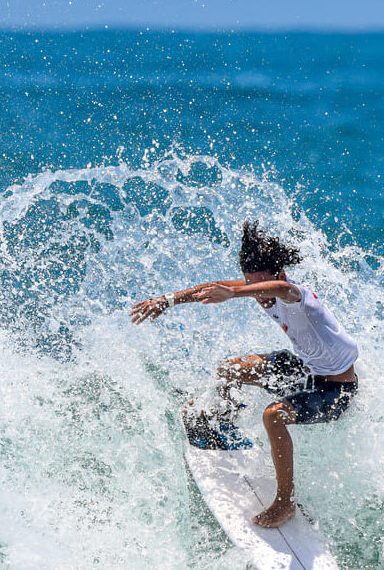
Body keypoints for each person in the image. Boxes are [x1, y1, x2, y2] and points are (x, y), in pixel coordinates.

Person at [130, 220, 359, 528]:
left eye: (258, 286)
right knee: (230, 369)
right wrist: (167, 300)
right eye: (249, 284)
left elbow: (279, 289)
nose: (259, 297)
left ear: (276, 275)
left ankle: (285, 503)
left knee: (273, 415)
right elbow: (211, 288)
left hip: (336, 390)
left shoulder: (296, 295)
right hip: (306, 368)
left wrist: (237, 293)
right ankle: (218, 423)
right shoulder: (261, 289)